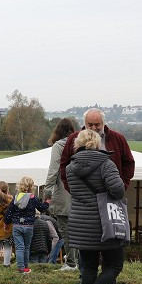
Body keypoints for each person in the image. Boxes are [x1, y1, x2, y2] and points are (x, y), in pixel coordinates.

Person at [59, 109, 134, 284]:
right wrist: (74, 190)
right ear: (84, 124)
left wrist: (121, 185)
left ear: (103, 124)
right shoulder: (74, 139)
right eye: (90, 125)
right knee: (91, 252)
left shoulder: (117, 139)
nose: (93, 128)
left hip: (109, 202)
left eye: (97, 124)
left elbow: (128, 163)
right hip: (86, 204)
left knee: (106, 245)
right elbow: (64, 166)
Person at [66, 129, 126, 284]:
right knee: (115, 264)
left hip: (81, 221)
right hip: (104, 221)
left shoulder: (70, 167)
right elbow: (118, 190)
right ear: (98, 143)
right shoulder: (106, 164)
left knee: (89, 266)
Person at [45, 117, 79, 272]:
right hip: (80, 194)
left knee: (66, 230)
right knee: (79, 230)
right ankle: (78, 261)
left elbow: (54, 169)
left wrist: (47, 190)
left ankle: (72, 262)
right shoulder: (79, 144)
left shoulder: (59, 145)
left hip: (64, 192)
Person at [3, 176, 50, 273]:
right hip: (29, 226)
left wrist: (6, 223)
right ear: (31, 187)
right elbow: (42, 208)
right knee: (27, 247)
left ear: (19, 186)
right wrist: (47, 202)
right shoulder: (33, 198)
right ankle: (25, 267)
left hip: (17, 226)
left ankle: (20, 267)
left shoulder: (16, 198)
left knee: (19, 247)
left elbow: (9, 212)